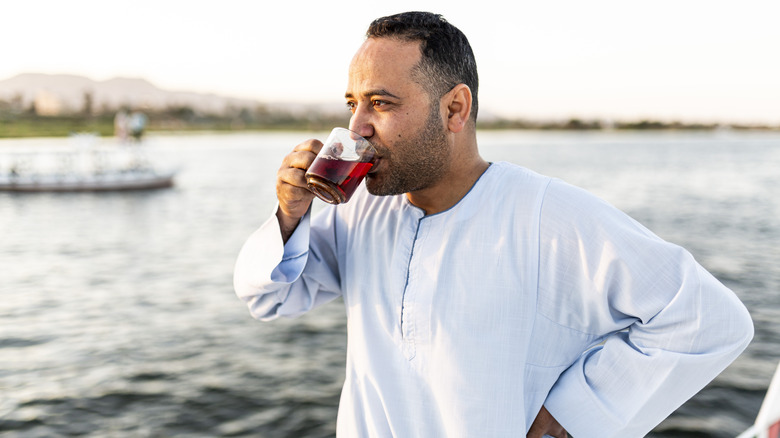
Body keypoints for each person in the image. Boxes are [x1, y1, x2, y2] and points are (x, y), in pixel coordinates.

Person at [233, 11, 753, 437]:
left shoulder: (548, 215)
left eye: (380, 103)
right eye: (352, 104)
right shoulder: (364, 210)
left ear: (455, 108)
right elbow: (271, 298)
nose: (356, 127)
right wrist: (289, 216)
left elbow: (708, 320)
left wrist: (578, 415)